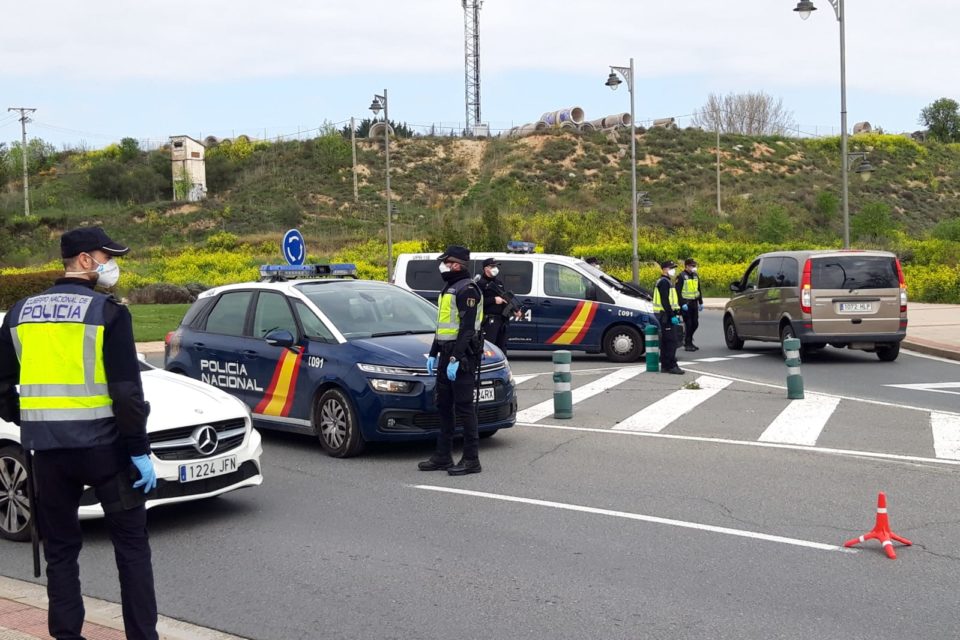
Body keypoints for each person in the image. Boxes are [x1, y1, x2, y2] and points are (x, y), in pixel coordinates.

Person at [0, 226, 159, 640]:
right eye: (107, 257)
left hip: (48, 454)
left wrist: (24, 418)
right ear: (86, 261)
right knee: (131, 548)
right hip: (105, 451)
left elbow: (1, 385)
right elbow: (126, 394)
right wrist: (139, 449)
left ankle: (67, 635)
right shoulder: (108, 312)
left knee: (61, 550)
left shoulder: (19, 314)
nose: (112, 265)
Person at [418, 245, 484, 476]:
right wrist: (435, 353)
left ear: (457, 264)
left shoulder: (468, 290)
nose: (443, 266)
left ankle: (471, 459)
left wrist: (455, 357)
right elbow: (442, 328)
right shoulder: (450, 288)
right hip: (447, 354)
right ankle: (443, 456)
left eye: (446, 262)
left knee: (465, 408)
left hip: (462, 356)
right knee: (444, 405)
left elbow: (466, 329)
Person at [476, 257, 518, 353]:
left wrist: (514, 310)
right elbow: (477, 302)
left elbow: (505, 299)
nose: (495, 268)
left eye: (496, 266)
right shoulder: (480, 283)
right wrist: (493, 300)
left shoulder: (499, 283)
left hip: (501, 320)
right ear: (486, 268)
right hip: (489, 321)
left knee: (502, 347)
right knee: (489, 347)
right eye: (492, 266)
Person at [653, 260, 684, 375]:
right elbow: (665, 301)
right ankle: (671, 365)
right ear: (665, 269)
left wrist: (677, 310)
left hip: (665, 315)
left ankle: (665, 365)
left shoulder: (665, 281)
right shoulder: (664, 282)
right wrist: (671, 315)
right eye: (671, 268)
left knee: (666, 341)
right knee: (672, 341)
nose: (673, 270)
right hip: (665, 315)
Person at [676, 258, 704, 352]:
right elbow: (678, 292)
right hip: (686, 303)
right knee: (689, 323)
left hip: (694, 303)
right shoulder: (681, 276)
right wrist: (682, 303)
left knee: (695, 323)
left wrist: (701, 302)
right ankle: (688, 343)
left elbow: (698, 289)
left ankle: (689, 340)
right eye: (692, 266)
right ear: (687, 266)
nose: (694, 267)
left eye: (694, 266)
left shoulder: (695, 275)